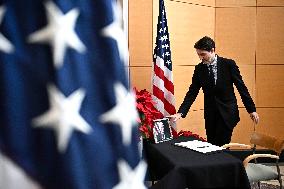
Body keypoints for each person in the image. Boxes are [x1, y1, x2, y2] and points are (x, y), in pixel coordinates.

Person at [169, 36, 259, 146]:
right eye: (198, 54)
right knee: (212, 145)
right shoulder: (199, 69)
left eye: (203, 54)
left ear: (212, 50)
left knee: (221, 145)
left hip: (227, 113)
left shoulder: (228, 64)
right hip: (211, 114)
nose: (200, 58)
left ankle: (226, 163)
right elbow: (192, 92)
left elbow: (241, 87)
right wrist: (181, 112)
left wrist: (251, 109)